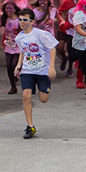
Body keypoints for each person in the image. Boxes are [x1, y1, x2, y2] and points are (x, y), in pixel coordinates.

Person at [13, 8, 58, 139]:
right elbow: (23, 51)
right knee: (26, 95)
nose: (22, 22)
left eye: (25, 20)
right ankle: (30, 127)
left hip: (42, 71)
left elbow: (52, 49)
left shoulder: (41, 34)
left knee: (43, 99)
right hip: (27, 70)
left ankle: (45, 87)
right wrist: (19, 65)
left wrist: (51, 67)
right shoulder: (19, 37)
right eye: (20, 19)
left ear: (32, 21)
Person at [1, 1, 22, 94]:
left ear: (14, 9)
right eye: (7, 8)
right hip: (9, 45)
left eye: (10, 8)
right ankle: (13, 87)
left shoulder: (19, 19)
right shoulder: (5, 19)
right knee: (9, 66)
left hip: (17, 45)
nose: (8, 10)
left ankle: (17, 73)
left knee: (14, 65)